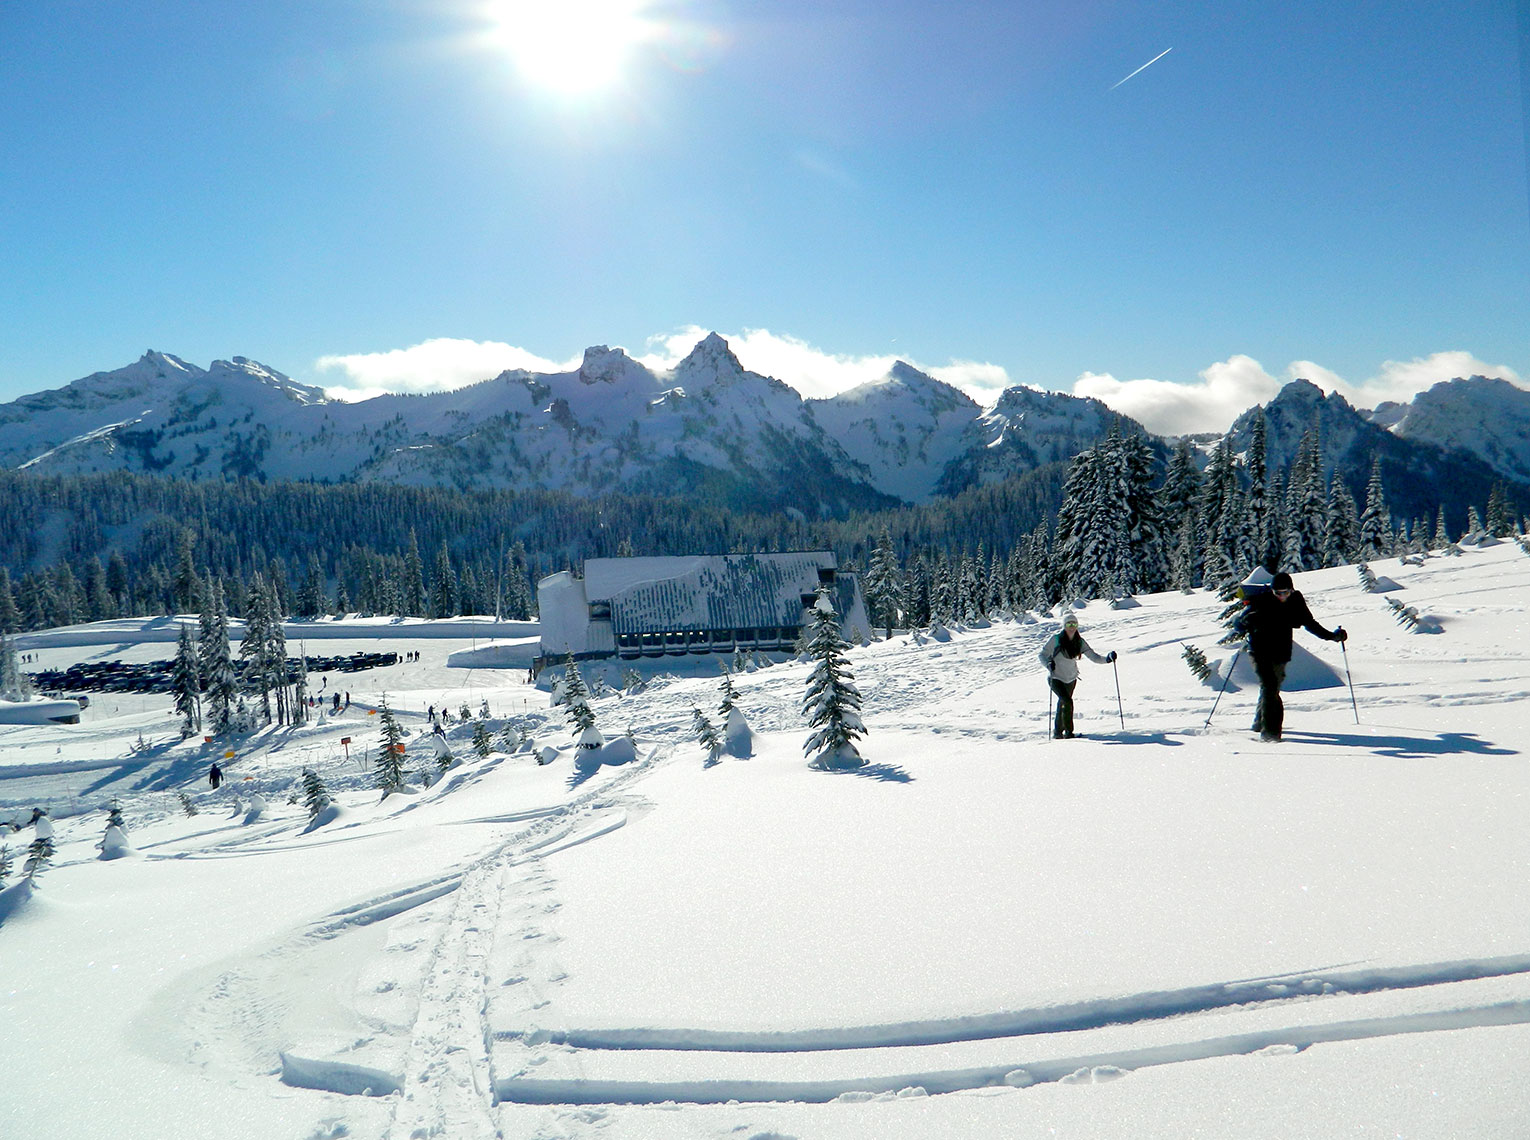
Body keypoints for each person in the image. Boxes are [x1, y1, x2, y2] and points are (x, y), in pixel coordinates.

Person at [1235, 571, 1347, 742]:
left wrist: (1332, 636)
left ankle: (1259, 723)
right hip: (1259, 651)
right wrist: (1245, 622)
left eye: (1285, 592)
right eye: (1278, 593)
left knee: (1271, 689)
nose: (1282, 596)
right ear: (1272, 591)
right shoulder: (1261, 601)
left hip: (1281, 652)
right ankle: (1271, 734)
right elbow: (1238, 624)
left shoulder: (1296, 602)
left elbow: (1310, 624)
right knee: (1270, 686)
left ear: (1292, 590)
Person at [1039, 613, 1116, 739]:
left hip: (1071, 678)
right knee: (1067, 702)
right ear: (1064, 625)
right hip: (1055, 678)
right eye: (1069, 624)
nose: (1072, 627)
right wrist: (1048, 664)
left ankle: (1057, 733)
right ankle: (1069, 733)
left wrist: (1107, 659)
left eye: (1074, 624)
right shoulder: (1056, 639)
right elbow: (1042, 655)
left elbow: (1094, 657)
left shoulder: (1079, 642)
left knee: (1063, 703)